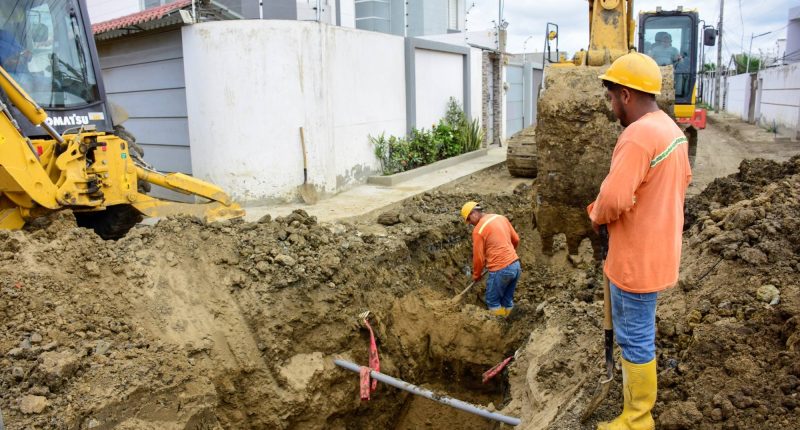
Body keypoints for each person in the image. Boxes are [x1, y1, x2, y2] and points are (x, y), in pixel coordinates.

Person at [588, 52, 691, 430]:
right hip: (657, 252)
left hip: (634, 259)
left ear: (627, 95)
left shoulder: (637, 136)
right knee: (639, 332)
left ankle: (637, 419)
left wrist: (597, 214)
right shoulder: (671, 131)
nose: (611, 104)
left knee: (634, 338)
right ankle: (637, 411)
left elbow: (613, 200)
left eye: (612, 96)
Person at [460, 201, 521, 317]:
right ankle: (511, 326)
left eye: (469, 219)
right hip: (516, 266)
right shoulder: (500, 218)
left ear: (474, 213)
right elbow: (516, 239)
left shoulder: (479, 230)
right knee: (507, 301)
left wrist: (476, 275)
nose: (470, 223)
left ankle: (500, 329)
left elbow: (479, 258)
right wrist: (509, 254)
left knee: (493, 301)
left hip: (501, 269)